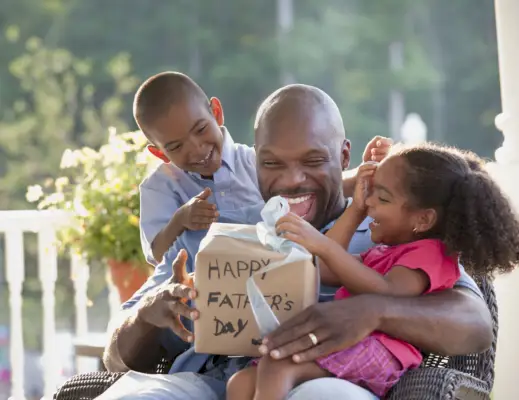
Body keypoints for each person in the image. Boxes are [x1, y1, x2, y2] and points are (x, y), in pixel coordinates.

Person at [103, 84, 493, 400]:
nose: (291, 180)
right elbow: (114, 357)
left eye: (311, 161)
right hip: (207, 383)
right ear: (255, 163)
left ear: (343, 158)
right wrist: (149, 314)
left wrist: (373, 311)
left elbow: (475, 324)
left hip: (325, 379)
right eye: (272, 163)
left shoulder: (387, 233)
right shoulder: (213, 231)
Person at [227, 144, 519, 400]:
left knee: (277, 365)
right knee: (242, 381)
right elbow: (327, 269)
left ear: (423, 219)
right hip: (357, 344)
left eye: (383, 198)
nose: (370, 204)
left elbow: (388, 293)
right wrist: (354, 211)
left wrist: (324, 247)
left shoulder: (431, 254)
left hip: (381, 351)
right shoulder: (385, 252)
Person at [133, 71, 389, 264]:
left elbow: (317, 189)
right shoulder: (162, 188)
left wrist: (370, 173)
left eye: (200, 130)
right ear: (159, 153)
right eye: (176, 147)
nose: (197, 149)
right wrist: (181, 220)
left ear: (217, 113)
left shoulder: (251, 161)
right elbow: (156, 256)